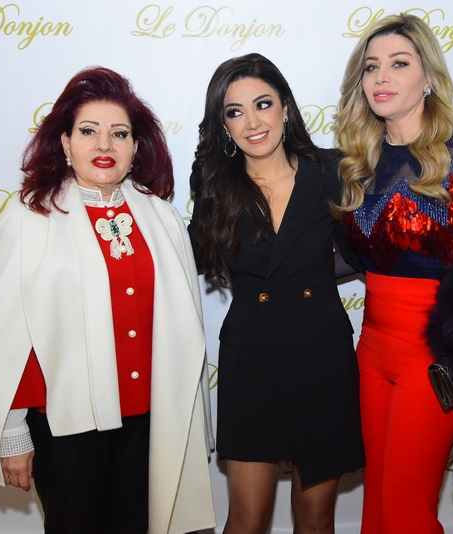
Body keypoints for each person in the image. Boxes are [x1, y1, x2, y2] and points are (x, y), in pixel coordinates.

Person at [0, 67, 216, 534]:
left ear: (136, 147)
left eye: (119, 134)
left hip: (151, 421)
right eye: (88, 131)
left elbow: (182, 331)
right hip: (64, 425)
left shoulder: (162, 217)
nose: (104, 145)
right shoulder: (30, 218)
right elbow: (7, 338)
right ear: (66, 143)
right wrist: (12, 431)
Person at [334, 14, 453, 533]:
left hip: (434, 357)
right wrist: (268, 263)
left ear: (428, 76)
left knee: (407, 508)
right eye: (371, 67)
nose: (381, 77)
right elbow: (355, 259)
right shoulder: (357, 163)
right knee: (377, 507)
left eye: (399, 63)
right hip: (371, 351)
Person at [187, 53, 365, 533]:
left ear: (285, 107)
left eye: (262, 104)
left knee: (315, 519)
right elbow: (185, 258)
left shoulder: (331, 171)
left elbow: (364, 254)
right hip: (252, 360)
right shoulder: (215, 185)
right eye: (235, 111)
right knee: (247, 520)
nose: (252, 122)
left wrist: (310, 273)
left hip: (320, 356)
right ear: (224, 126)